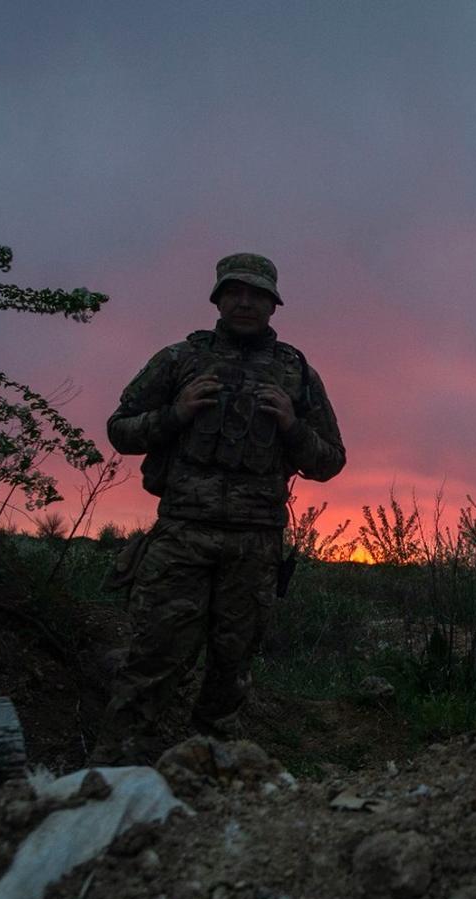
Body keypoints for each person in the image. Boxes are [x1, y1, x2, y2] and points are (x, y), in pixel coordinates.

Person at [99, 252, 346, 760]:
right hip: (182, 537)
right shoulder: (179, 360)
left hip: (254, 545)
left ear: (273, 304)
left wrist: (292, 427)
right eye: (235, 291)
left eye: (256, 294)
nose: (244, 302)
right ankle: (118, 774)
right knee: (152, 659)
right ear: (217, 297)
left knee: (231, 672)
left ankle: (208, 779)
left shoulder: (295, 371)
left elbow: (331, 461)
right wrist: (175, 413)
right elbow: (119, 430)